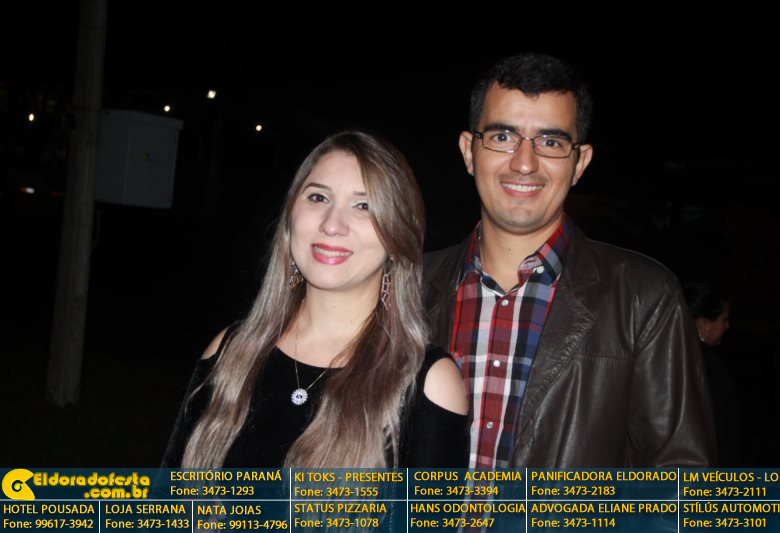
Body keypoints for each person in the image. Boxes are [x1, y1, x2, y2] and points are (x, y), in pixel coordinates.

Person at [423, 53, 715, 468]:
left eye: (551, 142)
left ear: (580, 163)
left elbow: (680, 481)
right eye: (503, 136)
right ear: (470, 152)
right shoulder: (407, 287)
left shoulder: (644, 298)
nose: (524, 163)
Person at [163, 130, 468, 468]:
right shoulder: (228, 353)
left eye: (363, 205)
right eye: (318, 197)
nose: (332, 225)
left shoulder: (428, 386)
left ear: (397, 238)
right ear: (290, 219)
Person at [684, 281, 741, 466]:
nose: (727, 326)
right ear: (703, 323)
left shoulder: (677, 357)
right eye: (723, 319)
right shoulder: (705, 364)